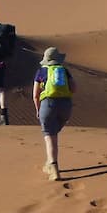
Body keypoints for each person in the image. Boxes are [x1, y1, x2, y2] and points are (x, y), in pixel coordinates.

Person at [32, 47, 74, 181]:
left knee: (50, 136)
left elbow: (35, 95)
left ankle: (54, 168)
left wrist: (38, 110)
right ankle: (49, 162)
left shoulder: (41, 71)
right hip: (66, 106)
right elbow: (74, 88)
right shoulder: (64, 71)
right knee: (53, 134)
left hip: (48, 105)